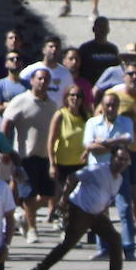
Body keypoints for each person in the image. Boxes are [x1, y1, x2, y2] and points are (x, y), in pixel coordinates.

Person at [28, 145, 130, 270]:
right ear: (112, 157)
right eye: (119, 158)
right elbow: (72, 177)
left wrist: (103, 213)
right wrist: (64, 199)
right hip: (80, 209)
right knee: (67, 245)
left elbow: (108, 199)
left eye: (125, 160)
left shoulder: (118, 179)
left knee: (114, 239)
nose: (122, 163)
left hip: (96, 214)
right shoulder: (97, 169)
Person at [2, 67, 58, 244]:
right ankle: (32, 228)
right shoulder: (21, 100)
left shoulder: (52, 104)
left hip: (46, 156)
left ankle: (25, 217)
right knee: (29, 195)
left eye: (46, 79)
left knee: (49, 194)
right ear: (32, 80)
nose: (42, 82)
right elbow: (6, 124)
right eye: (39, 79)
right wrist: (5, 149)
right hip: (25, 156)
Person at [82, 89, 136, 261]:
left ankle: (128, 249)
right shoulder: (92, 123)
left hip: (120, 170)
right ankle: (103, 248)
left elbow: (129, 139)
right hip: (98, 172)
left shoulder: (126, 121)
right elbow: (89, 146)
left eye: (114, 105)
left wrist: (104, 143)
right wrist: (116, 143)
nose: (111, 108)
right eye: (108, 105)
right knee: (99, 210)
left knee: (124, 208)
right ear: (102, 106)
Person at [107, 62, 136, 236]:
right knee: (123, 193)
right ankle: (125, 233)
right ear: (124, 76)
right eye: (130, 74)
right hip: (119, 152)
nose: (134, 77)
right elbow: (101, 116)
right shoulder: (114, 95)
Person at [48, 85, 91, 222]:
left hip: (81, 163)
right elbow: (50, 141)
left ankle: (70, 223)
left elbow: (91, 139)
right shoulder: (60, 115)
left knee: (77, 197)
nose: (75, 99)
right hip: (63, 162)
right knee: (63, 195)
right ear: (66, 97)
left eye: (78, 96)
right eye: (72, 95)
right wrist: (52, 164)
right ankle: (61, 221)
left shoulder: (86, 117)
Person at [19, 36, 73, 105]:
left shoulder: (66, 73)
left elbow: (69, 94)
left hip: (56, 113)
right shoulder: (32, 69)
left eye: (57, 47)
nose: (54, 49)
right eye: (51, 46)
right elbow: (20, 82)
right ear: (44, 50)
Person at [77, 16, 119, 86]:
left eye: (104, 26)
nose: (102, 29)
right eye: (99, 26)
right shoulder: (85, 48)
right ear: (93, 29)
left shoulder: (113, 49)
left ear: (108, 30)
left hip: (108, 86)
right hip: (89, 85)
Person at [0, 51, 27, 119]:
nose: (15, 60)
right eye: (11, 59)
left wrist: (6, 104)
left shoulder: (29, 85)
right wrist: (20, 104)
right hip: (1, 127)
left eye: (18, 59)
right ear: (6, 64)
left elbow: (30, 106)